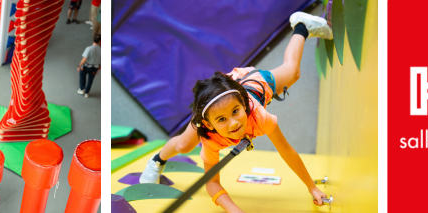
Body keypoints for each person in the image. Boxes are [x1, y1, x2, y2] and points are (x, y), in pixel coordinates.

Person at [139, 12, 333, 212]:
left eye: (236, 112)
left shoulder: (259, 116)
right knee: (183, 144)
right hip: (213, 104)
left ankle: (301, 25)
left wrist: (312, 187)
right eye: (222, 119)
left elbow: (286, 151)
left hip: (250, 84)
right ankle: (157, 160)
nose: (233, 123)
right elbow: (212, 183)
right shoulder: (210, 138)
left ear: (243, 104)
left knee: (293, 72)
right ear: (208, 124)